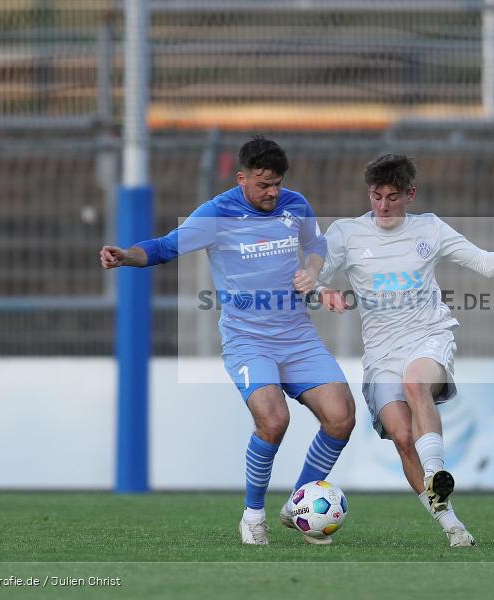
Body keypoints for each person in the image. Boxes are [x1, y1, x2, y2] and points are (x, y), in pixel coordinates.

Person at [100, 136, 355, 546]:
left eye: (277, 184)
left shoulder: (296, 205)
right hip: (248, 340)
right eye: (263, 184)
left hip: (297, 336)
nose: (272, 192)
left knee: (342, 416)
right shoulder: (215, 214)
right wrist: (126, 256)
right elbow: (164, 247)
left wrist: (312, 271)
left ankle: (298, 504)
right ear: (242, 178)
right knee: (273, 421)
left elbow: (316, 245)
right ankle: (253, 516)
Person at [314, 153, 494, 547]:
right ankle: (452, 525)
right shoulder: (347, 233)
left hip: (428, 335)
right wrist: (321, 290)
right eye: (376, 196)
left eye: (392, 197)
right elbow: (311, 274)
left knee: (416, 383)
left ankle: (435, 472)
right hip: (381, 354)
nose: (383, 206)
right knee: (402, 437)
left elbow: (484, 264)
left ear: (410, 194)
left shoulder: (429, 228)